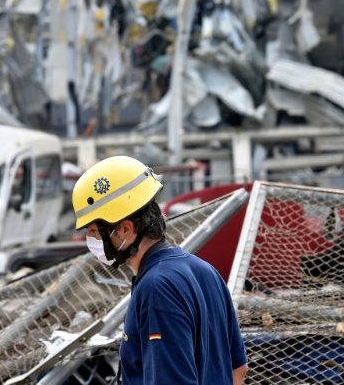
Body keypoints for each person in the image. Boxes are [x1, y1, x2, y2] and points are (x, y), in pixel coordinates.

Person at [72, 156, 248, 384]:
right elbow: (239, 370)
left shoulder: (156, 287)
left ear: (125, 228)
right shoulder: (205, 271)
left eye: (94, 231)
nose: (90, 240)